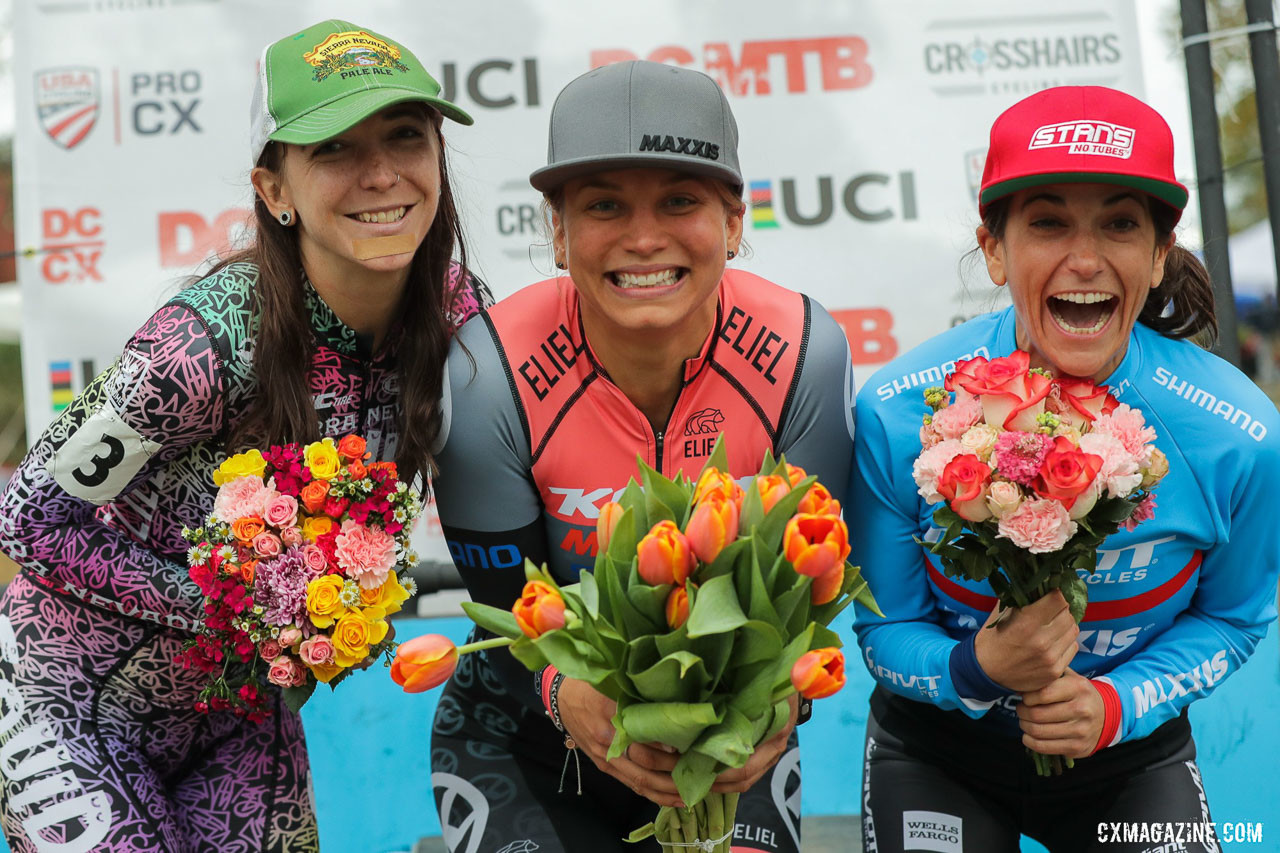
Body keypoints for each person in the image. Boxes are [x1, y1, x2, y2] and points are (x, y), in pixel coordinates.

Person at [0, 19, 488, 852]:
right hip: (70, 707)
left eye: (405, 136)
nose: (380, 173)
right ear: (275, 190)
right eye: (333, 147)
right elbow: (27, 516)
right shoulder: (202, 346)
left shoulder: (458, 314)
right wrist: (236, 609)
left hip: (237, 722)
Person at [430, 60, 855, 852]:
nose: (644, 236)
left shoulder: (804, 353)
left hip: (731, 753)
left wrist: (776, 711)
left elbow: (805, 613)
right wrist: (566, 694)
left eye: (680, 200)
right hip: (530, 740)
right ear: (556, 232)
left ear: (734, 221)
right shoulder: (487, 375)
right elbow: (513, 618)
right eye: (603, 206)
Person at [849, 85, 1280, 852]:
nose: (1084, 259)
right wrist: (975, 668)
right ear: (993, 248)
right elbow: (886, 632)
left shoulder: (1237, 432)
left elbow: (1233, 618)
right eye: (1048, 222)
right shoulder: (898, 408)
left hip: (1124, 755)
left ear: (1157, 254)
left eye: (1119, 223)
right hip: (939, 752)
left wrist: (1116, 706)